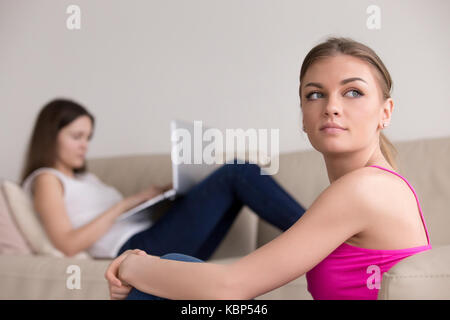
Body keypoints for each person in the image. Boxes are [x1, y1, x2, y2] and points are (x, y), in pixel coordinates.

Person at [105, 37, 432, 300]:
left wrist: (132, 264)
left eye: (353, 92)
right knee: (174, 275)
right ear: (303, 115)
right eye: (315, 94)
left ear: (385, 112)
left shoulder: (366, 188)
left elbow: (230, 287)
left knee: (167, 274)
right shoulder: (372, 185)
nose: (331, 107)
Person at [21, 99, 306, 261]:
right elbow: (67, 245)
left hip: (154, 236)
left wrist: (162, 198)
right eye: (76, 136)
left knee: (231, 183)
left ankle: (321, 236)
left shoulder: (89, 178)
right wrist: (126, 204)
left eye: (88, 137)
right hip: (135, 249)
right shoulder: (47, 178)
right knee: (238, 172)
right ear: (50, 136)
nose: (84, 145)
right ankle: (323, 234)